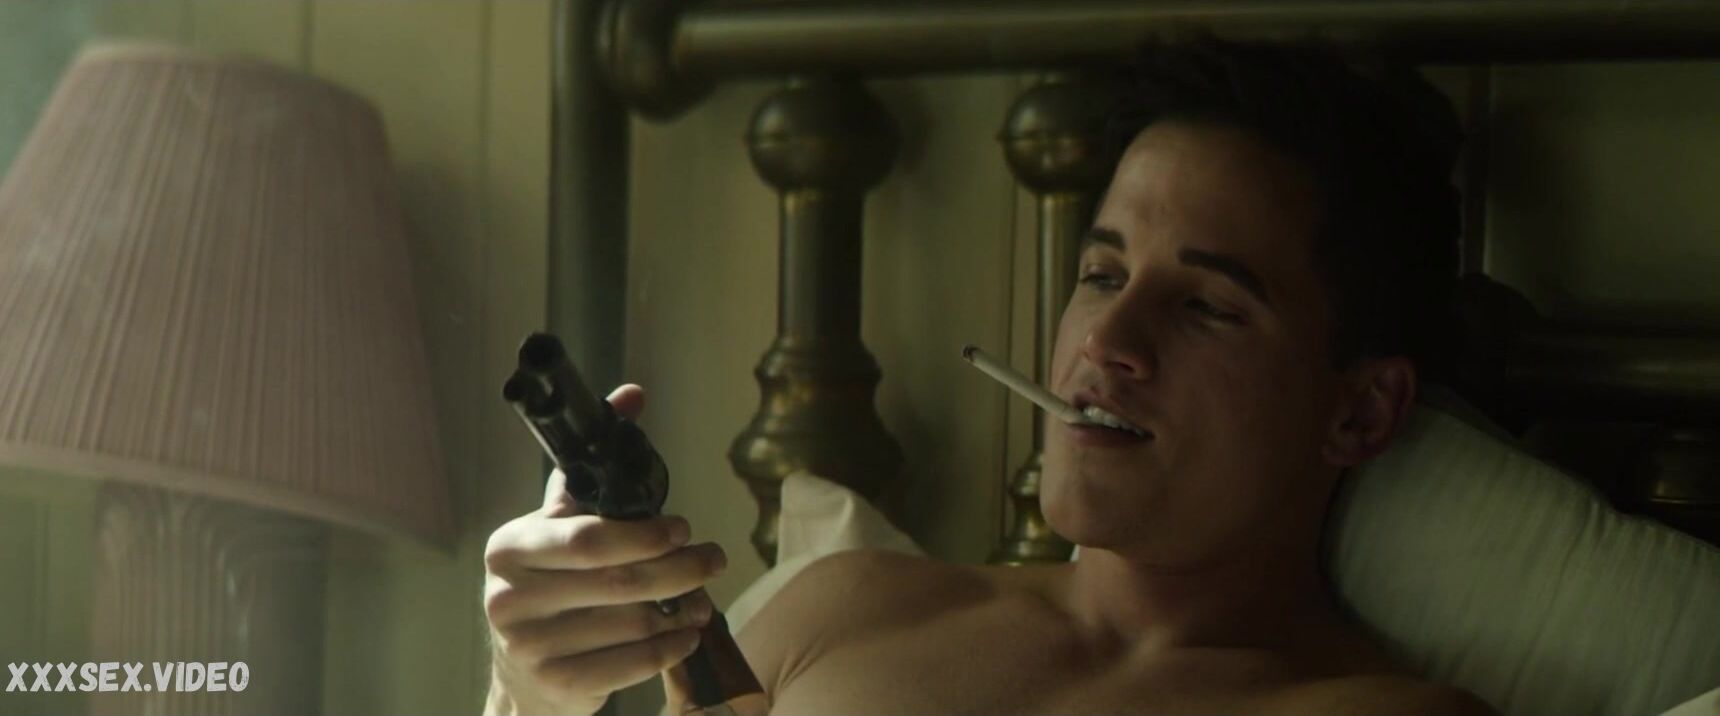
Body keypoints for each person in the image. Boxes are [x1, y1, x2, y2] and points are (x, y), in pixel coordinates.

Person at [481, 40, 1500, 716]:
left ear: (1361, 410)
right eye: (1101, 274)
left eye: (1206, 307)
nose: (1108, 340)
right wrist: (530, 691)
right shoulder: (844, 612)